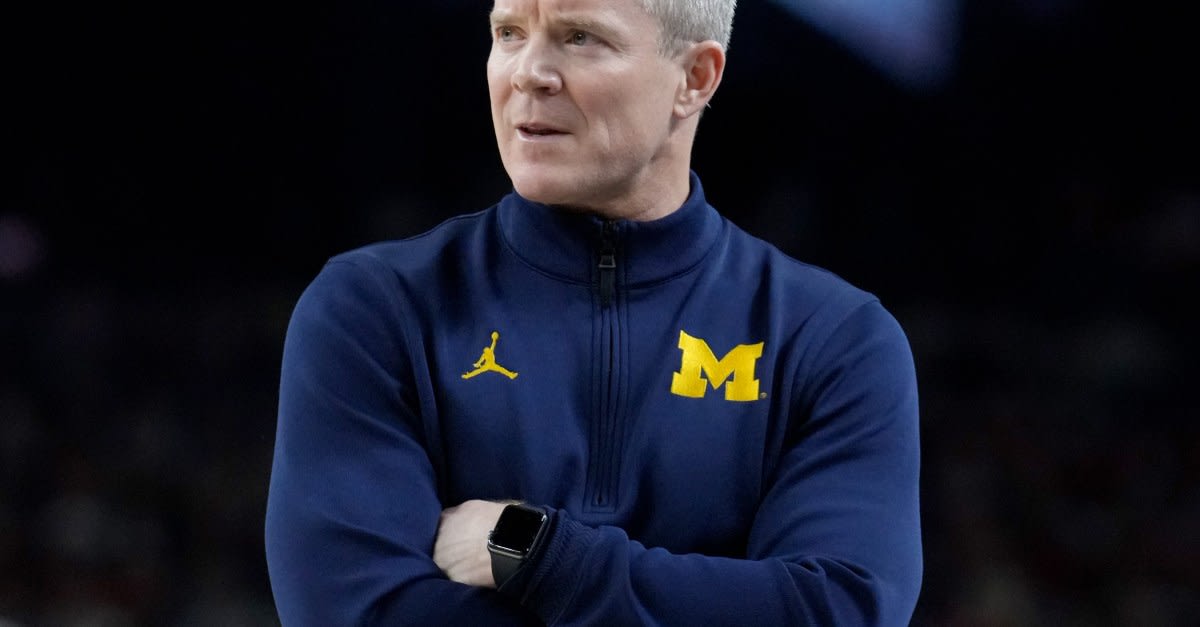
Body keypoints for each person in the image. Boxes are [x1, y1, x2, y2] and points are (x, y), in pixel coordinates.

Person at [264, 0, 923, 624]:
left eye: (581, 37)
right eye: (510, 33)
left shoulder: (834, 341)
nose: (529, 73)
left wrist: (537, 551)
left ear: (695, 78)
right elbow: (358, 613)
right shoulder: (372, 310)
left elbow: (839, 608)